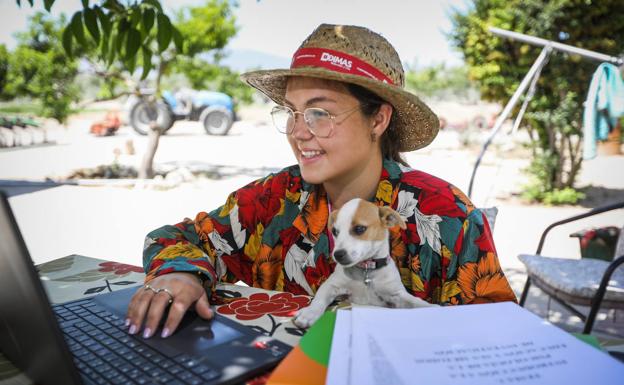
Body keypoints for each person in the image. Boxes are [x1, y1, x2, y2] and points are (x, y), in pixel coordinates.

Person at [126, 24, 517, 339]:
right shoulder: (275, 199)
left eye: (319, 113)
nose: (298, 132)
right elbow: (176, 238)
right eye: (292, 112)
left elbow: (498, 334)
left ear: (378, 120)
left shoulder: (443, 213)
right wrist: (182, 272)